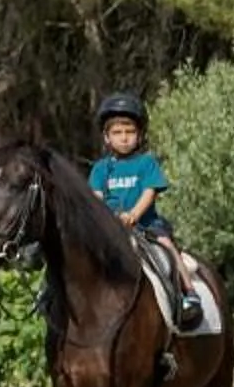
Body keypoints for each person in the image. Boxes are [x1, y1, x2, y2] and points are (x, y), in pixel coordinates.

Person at [88, 90, 206, 332]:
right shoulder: (101, 169)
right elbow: (96, 199)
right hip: (111, 229)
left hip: (146, 225)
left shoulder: (146, 163)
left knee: (167, 246)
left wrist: (133, 215)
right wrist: (109, 220)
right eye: (117, 133)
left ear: (139, 135)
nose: (124, 138)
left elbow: (149, 192)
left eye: (129, 132)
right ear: (106, 137)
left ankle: (188, 293)